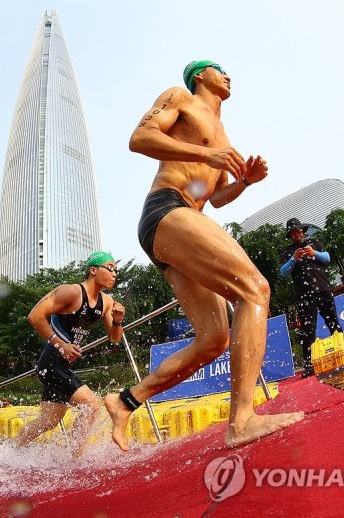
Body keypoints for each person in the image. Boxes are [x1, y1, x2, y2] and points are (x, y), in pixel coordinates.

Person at [104, 60, 303, 451]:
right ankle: (242, 420)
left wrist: (245, 180)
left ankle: (125, 401)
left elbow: (217, 197)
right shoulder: (180, 98)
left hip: (184, 221)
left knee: (214, 339)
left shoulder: (225, 137)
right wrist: (205, 153)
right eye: (219, 68)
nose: (228, 75)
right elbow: (139, 138)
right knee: (254, 290)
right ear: (199, 75)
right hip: (166, 209)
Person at [15, 251, 126, 453]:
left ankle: (10, 449)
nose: (114, 273)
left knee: (48, 421)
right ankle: (75, 457)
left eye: (116, 270)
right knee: (92, 405)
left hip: (61, 365)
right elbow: (35, 316)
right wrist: (61, 345)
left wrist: (117, 321)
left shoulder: (107, 302)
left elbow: (114, 338)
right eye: (110, 268)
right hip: (50, 363)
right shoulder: (72, 292)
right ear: (93, 270)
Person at [279, 218, 344, 378]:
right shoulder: (288, 251)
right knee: (308, 330)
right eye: (294, 232)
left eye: (300, 230)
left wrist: (313, 252)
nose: (298, 233)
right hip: (304, 295)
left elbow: (327, 258)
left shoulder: (314, 242)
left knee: (333, 322)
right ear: (290, 235)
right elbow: (283, 272)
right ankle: (309, 365)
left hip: (323, 289)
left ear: (303, 231)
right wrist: (294, 258)